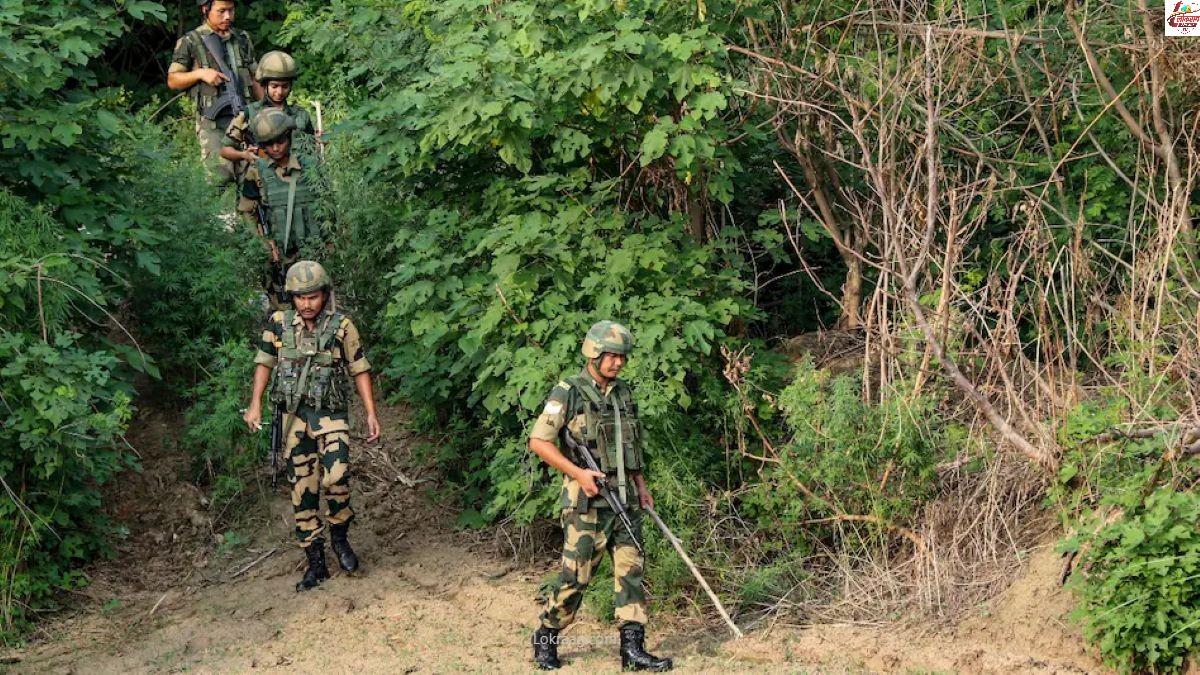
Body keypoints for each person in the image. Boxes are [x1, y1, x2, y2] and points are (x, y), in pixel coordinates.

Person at [527, 321, 673, 671]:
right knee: (575, 578)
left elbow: (630, 447)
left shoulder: (624, 394)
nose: (618, 363)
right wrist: (578, 473)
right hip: (587, 504)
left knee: (631, 572)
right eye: (611, 356)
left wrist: (641, 486)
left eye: (622, 357)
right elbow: (539, 441)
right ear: (593, 353)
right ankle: (546, 635)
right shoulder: (568, 391)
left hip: (625, 500)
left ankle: (632, 650)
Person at [242, 261, 381, 592]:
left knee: (337, 475)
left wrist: (371, 412)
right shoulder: (278, 324)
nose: (307, 303)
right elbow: (264, 362)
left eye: (313, 296)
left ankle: (340, 537)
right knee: (302, 489)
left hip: (330, 415)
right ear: (291, 297)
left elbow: (359, 368)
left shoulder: (342, 326)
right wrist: (255, 402)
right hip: (293, 418)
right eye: (301, 297)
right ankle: (315, 562)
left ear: (324, 295)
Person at [166, 0, 262, 183]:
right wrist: (201, 74)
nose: (227, 16)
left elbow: (255, 78)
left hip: (245, 117)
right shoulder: (190, 41)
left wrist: (266, 112)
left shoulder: (242, 38)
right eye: (221, 11)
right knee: (219, 179)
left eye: (231, 10)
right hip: (213, 124)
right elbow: (173, 80)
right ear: (205, 9)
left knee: (252, 176)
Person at [238, 109, 323, 308]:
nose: (275, 148)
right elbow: (247, 211)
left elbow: (326, 205)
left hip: (312, 250)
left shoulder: (311, 165)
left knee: (314, 303)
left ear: (289, 137)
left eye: (280, 141)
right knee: (284, 309)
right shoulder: (256, 172)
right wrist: (265, 244)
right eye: (268, 144)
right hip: (280, 255)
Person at [220, 50, 316, 178]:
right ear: (264, 85)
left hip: (298, 178)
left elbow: (312, 148)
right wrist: (244, 155)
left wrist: (318, 141)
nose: (279, 92)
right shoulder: (250, 113)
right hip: (260, 179)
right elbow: (225, 150)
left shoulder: (300, 115)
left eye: (285, 86)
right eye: (274, 86)